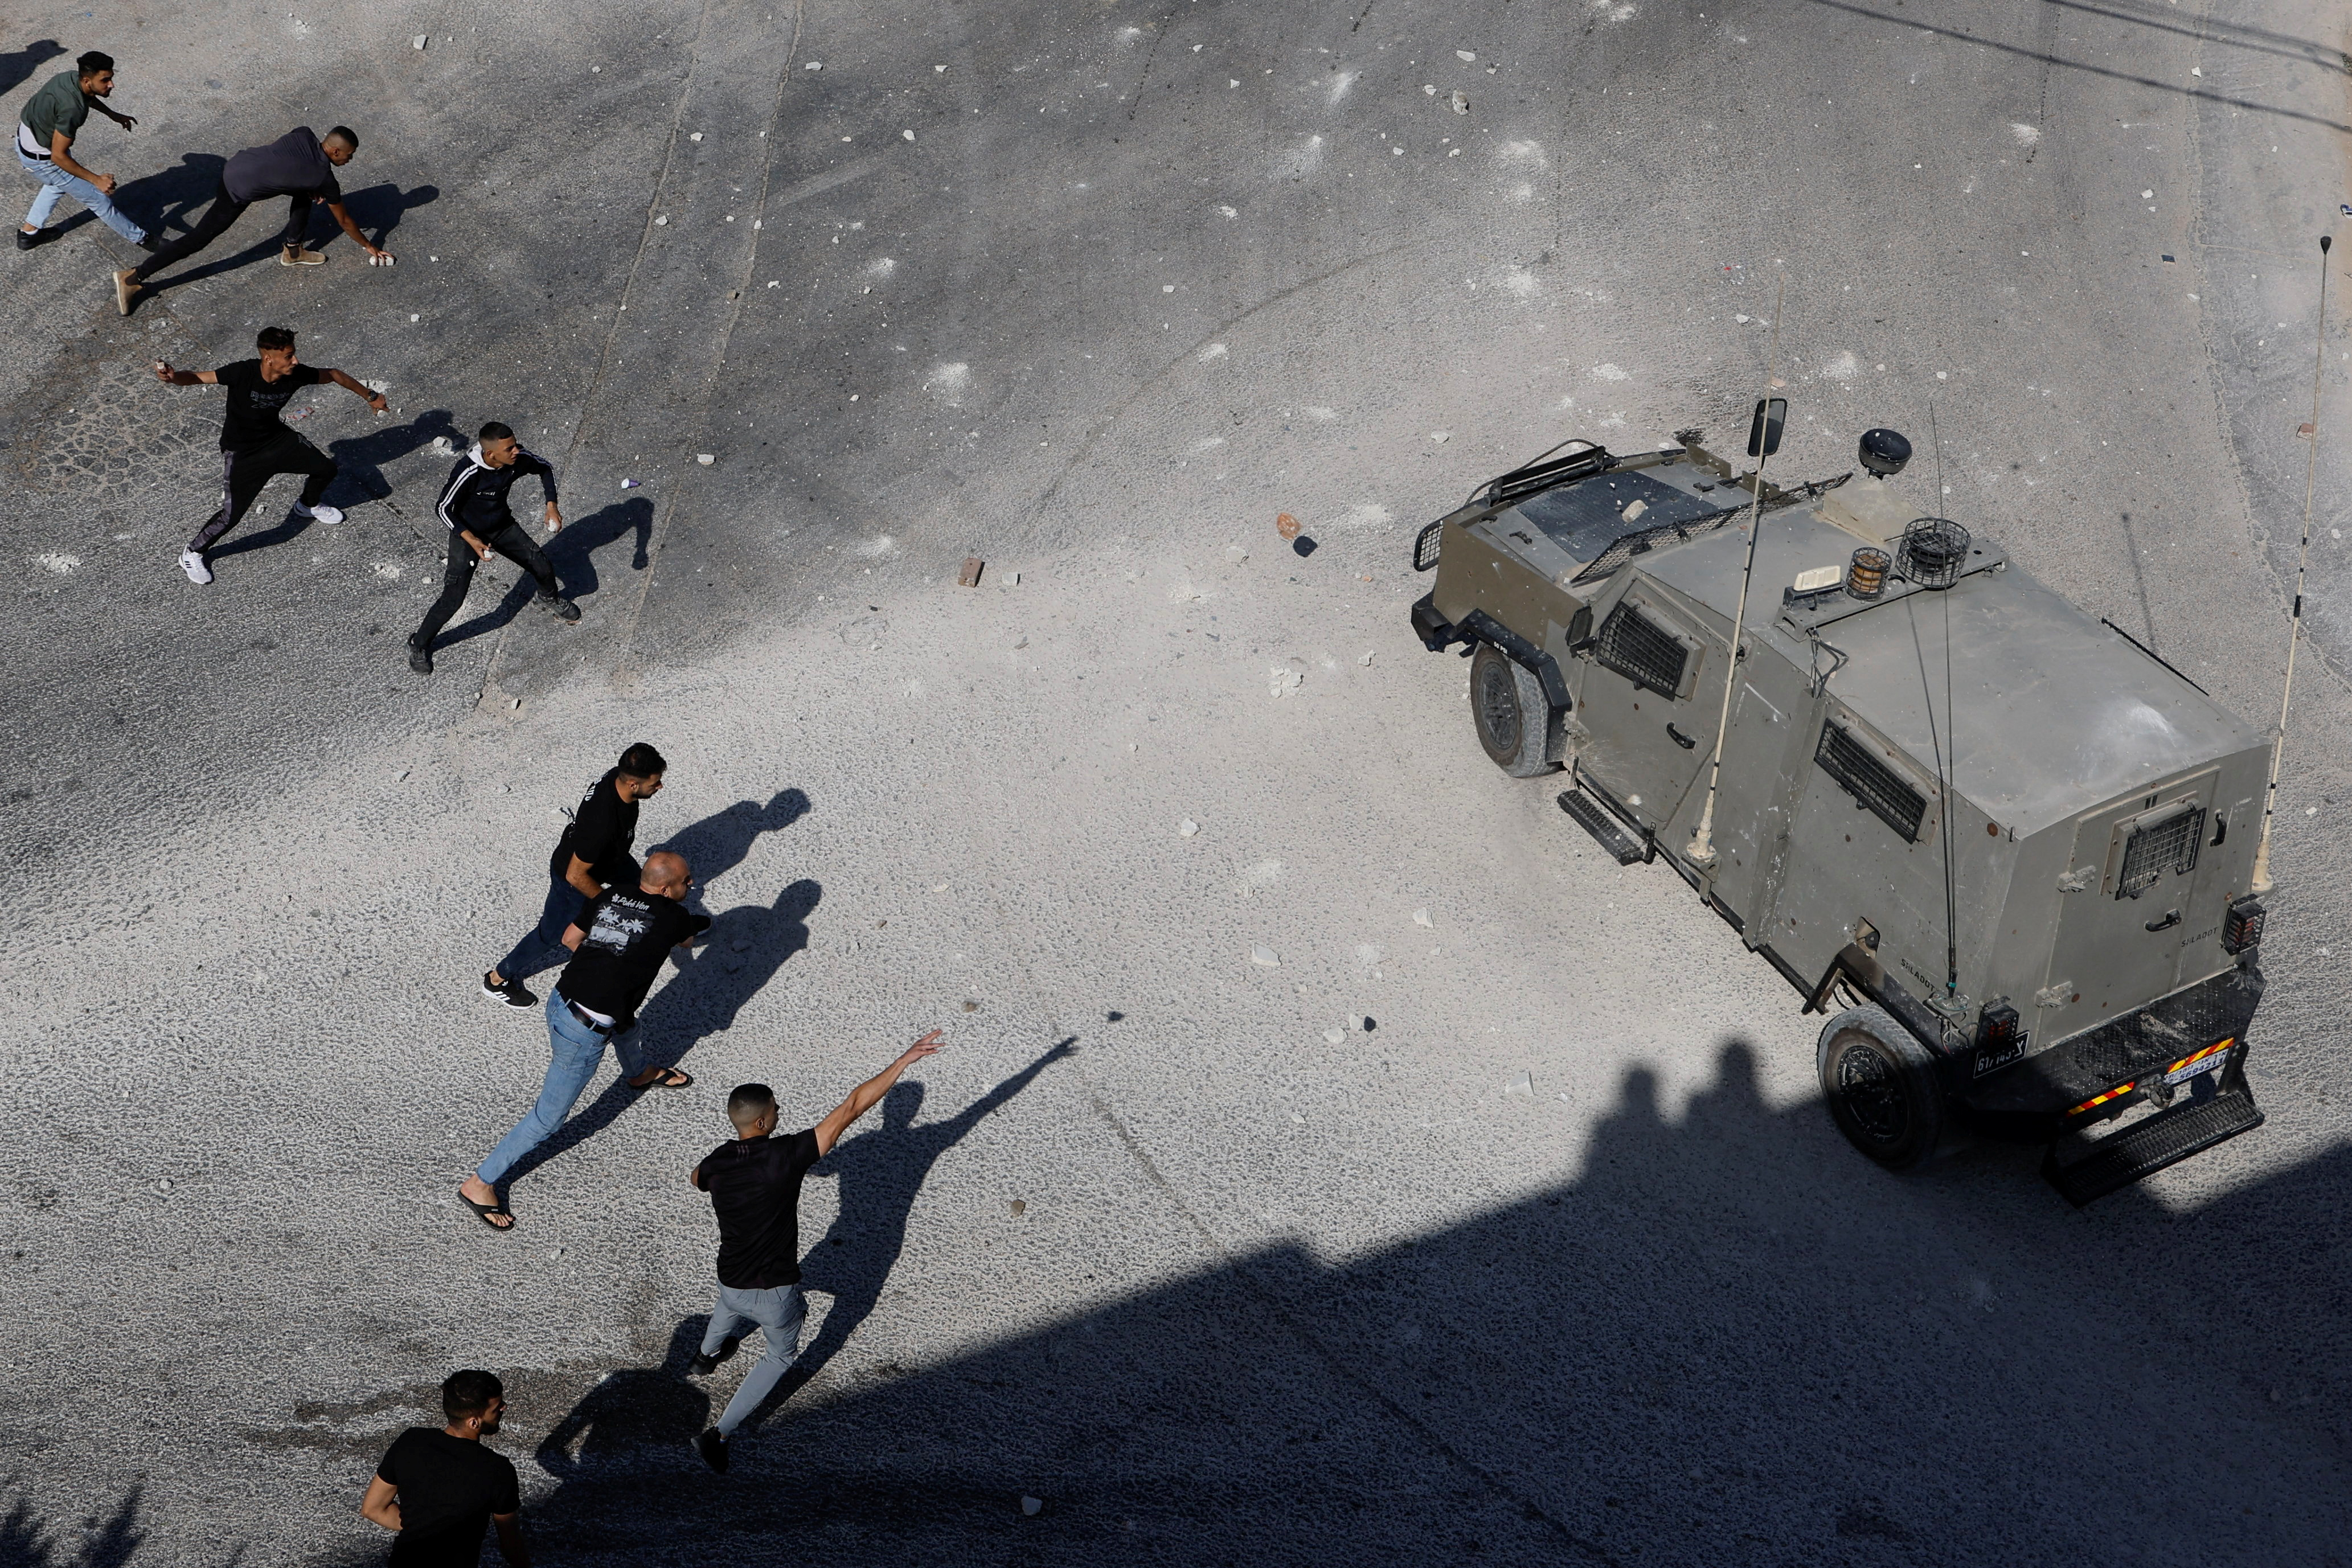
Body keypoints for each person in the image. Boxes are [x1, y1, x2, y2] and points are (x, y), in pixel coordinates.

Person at [687, 1031, 946, 1473]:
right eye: (776, 1109)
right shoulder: (787, 1156)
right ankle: (718, 1435)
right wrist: (903, 1060)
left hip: (730, 1276)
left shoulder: (717, 1161)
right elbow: (851, 1107)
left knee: (728, 1303)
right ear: (764, 1123)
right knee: (779, 1355)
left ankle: (705, 1357)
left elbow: (695, 1178)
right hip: (774, 1291)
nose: (781, 1112)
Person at [459, 850, 707, 1230]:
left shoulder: (612, 895)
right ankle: (480, 1183)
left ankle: (639, 1073)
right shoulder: (674, 917)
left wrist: (606, 964)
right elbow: (688, 943)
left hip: (562, 1000)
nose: (692, 885)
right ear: (663, 887)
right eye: (685, 882)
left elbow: (571, 937)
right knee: (547, 1118)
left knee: (626, 1025)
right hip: (582, 1032)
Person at [154, 326, 387, 583]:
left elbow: (333, 374)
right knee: (231, 516)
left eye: (293, 354)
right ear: (268, 358)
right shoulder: (242, 372)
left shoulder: (296, 374)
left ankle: (307, 506)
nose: (295, 361)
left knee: (326, 469)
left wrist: (370, 396)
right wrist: (174, 378)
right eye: (288, 356)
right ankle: (193, 552)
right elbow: (197, 378)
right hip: (243, 452)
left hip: (277, 439)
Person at [114, 124, 388, 313]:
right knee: (198, 239)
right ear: (336, 152)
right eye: (349, 156)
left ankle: (293, 251)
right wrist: (369, 245)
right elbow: (345, 221)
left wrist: (308, 186)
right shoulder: (324, 178)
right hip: (236, 191)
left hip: (233, 166)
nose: (350, 161)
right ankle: (132, 278)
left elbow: (285, 161)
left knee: (305, 193)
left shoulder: (304, 134)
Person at [481, 744, 666, 1009]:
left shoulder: (620, 774)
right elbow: (576, 875)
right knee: (550, 934)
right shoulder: (601, 823)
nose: (660, 787)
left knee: (642, 885)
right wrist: (609, 905)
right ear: (634, 785)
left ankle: (665, 925)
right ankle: (497, 980)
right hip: (574, 876)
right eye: (656, 783)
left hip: (610, 856)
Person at [407, 422, 577, 675]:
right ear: (490, 454)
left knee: (541, 564)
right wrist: (471, 540)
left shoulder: (517, 459)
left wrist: (551, 505)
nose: (516, 451)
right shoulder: (469, 472)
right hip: (467, 536)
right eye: (509, 449)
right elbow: (443, 508)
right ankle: (418, 644)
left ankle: (549, 597)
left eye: (515, 445)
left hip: (502, 526)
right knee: (453, 599)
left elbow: (545, 468)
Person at [360, 1369, 528, 1566]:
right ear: (473, 1422)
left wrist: (422, 1525)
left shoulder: (410, 1442)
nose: (504, 1408)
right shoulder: (498, 1470)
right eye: (497, 1408)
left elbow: (372, 1509)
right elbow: (511, 1546)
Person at [14, 50, 150, 252]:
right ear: (87, 80)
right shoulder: (73, 110)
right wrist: (97, 180)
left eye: (111, 78)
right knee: (99, 199)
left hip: (26, 140)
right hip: (44, 159)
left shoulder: (70, 78)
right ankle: (148, 242)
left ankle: (29, 234)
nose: (111, 84)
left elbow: (88, 96)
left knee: (57, 184)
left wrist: (112, 114)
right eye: (105, 80)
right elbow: (58, 157)